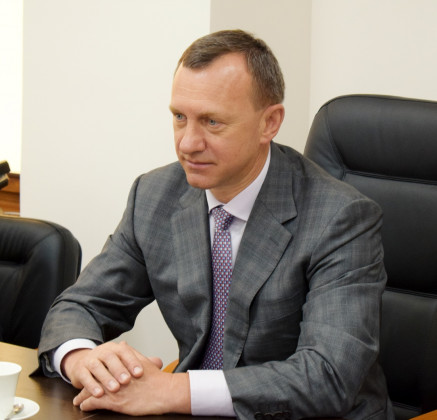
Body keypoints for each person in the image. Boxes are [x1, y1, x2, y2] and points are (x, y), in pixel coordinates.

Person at [38, 29, 394, 419]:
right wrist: (81, 359)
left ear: (269, 123)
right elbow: (79, 306)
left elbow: (327, 377)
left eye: (212, 122)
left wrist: (172, 389)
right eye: (179, 117)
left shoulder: (340, 217)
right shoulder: (154, 196)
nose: (188, 143)